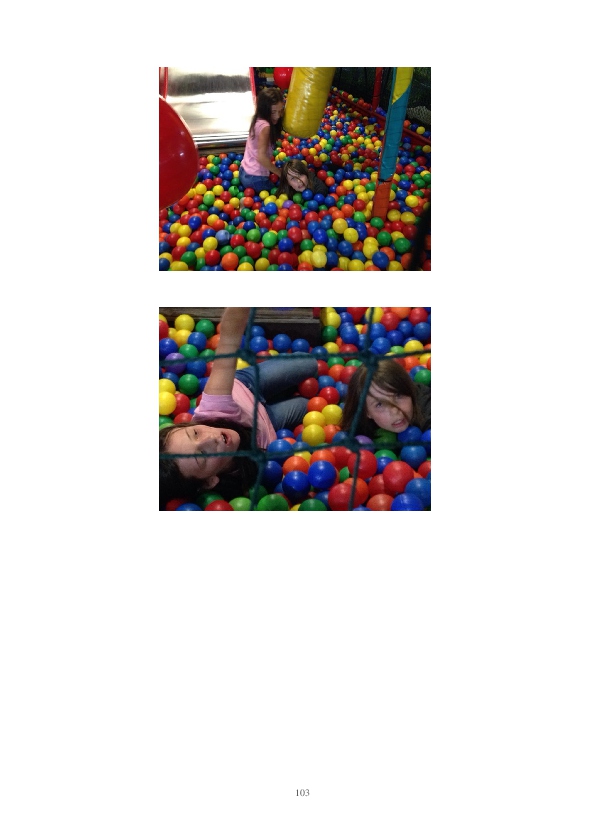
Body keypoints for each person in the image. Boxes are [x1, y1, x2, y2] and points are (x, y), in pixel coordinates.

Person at [160, 308, 318, 507]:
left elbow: (227, 347)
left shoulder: (212, 409)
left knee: (309, 363)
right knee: (310, 405)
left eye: (196, 433)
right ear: (210, 481)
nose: (210, 438)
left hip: (248, 386)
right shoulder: (242, 483)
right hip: (268, 421)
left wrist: (237, 315)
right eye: (203, 455)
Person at [341, 357, 430, 440]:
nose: (394, 411)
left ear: (409, 391)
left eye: (398, 395)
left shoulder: (428, 406)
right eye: (379, 404)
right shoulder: (357, 427)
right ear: (366, 411)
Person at [238, 88, 285, 194]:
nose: (278, 116)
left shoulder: (257, 119)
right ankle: (245, 201)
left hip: (243, 171)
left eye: (280, 111)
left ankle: (246, 198)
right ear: (265, 110)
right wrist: (279, 173)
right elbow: (261, 157)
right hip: (256, 179)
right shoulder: (266, 127)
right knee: (281, 195)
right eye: (273, 112)